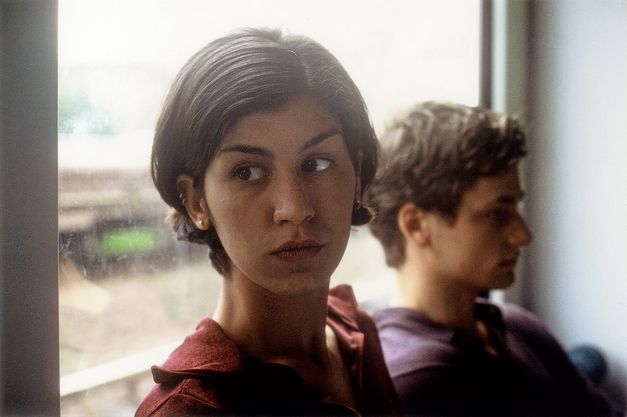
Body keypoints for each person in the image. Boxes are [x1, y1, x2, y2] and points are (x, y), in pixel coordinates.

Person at [134, 28, 402, 417]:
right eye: (247, 172)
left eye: (318, 163)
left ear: (358, 176)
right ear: (196, 201)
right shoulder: (191, 410)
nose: (294, 208)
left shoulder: (353, 334)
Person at [367, 101, 623, 417]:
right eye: (496, 213)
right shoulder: (420, 382)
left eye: (515, 208)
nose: (523, 234)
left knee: (589, 360)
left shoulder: (518, 326)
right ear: (417, 225)